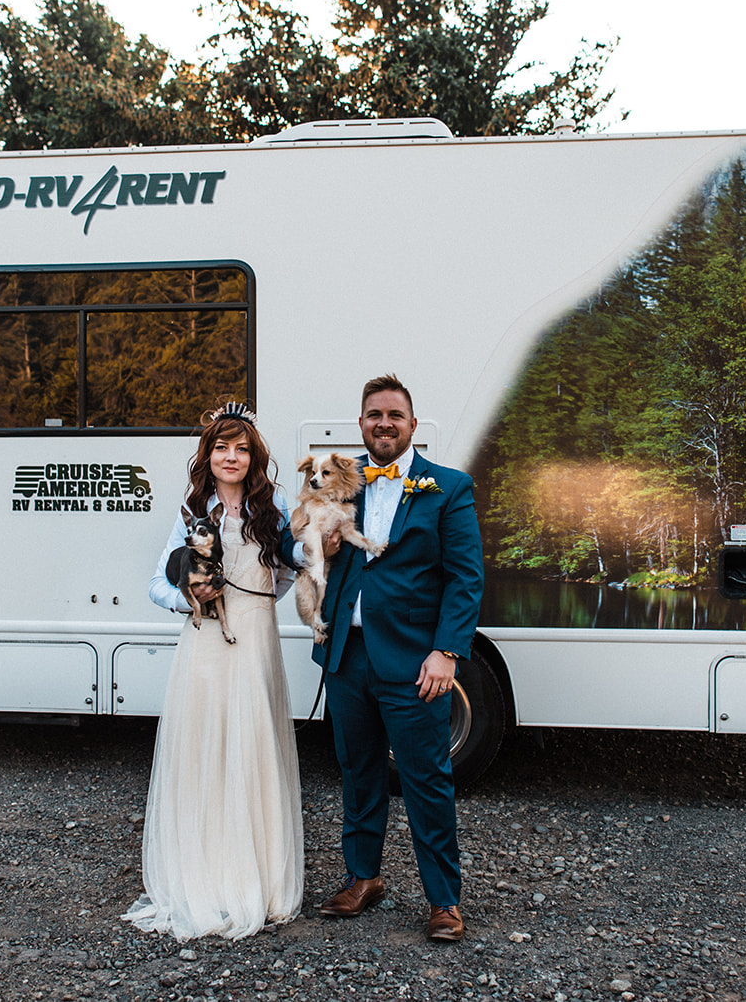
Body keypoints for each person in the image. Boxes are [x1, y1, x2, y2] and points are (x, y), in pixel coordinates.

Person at [306, 374, 484, 943]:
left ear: (412, 425)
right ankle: (363, 878)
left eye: (394, 415)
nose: (384, 424)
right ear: (360, 424)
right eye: (373, 415)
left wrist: (447, 652)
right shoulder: (338, 481)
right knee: (358, 773)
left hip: (415, 662)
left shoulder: (447, 487)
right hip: (347, 656)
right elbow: (302, 542)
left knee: (426, 779)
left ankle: (444, 901)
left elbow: (465, 577)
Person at [123, 403, 303, 941]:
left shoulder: (273, 508)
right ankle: (207, 876)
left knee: (253, 750)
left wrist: (260, 603)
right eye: (222, 447)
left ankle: (260, 881)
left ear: (254, 457)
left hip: (256, 644)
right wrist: (188, 596)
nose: (232, 456)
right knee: (207, 752)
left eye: (241, 448)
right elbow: (156, 583)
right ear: (209, 455)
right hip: (203, 646)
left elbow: (291, 568)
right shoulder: (191, 510)